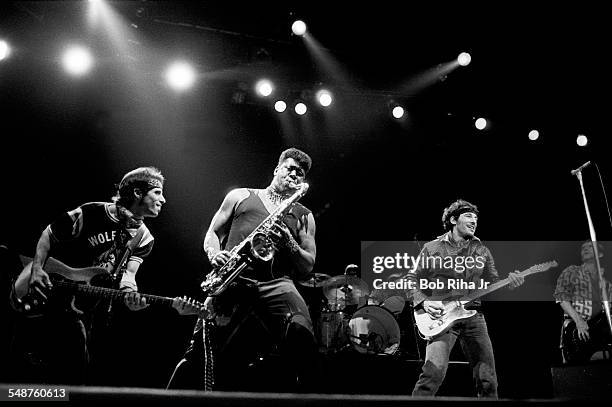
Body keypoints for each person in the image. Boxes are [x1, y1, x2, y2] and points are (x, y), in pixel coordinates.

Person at [168, 148, 318, 392]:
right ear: (276, 169)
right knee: (199, 352)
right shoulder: (240, 195)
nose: (294, 175)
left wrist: (289, 243)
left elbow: (308, 265)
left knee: (301, 332)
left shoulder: (305, 216)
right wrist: (214, 254)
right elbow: (213, 233)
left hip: (275, 283)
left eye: (300, 173)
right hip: (232, 278)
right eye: (289, 168)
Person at [8, 166, 166, 385]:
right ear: (138, 192)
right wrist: (37, 268)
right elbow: (49, 233)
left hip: (79, 310)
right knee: (18, 370)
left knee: (74, 376)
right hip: (48, 291)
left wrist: (130, 294)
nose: (163, 200)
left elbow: (128, 274)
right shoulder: (92, 212)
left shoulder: (144, 238)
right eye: (157, 193)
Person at [404, 199, 524, 398]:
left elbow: (493, 283)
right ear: (453, 220)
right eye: (469, 216)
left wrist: (510, 283)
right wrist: (424, 301)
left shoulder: (482, 250)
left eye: (476, 218)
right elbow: (410, 279)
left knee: (488, 379)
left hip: (473, 316)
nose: (474, 221)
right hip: (441, 316)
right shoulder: (432, 247)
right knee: (432, 375)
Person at [554, 241, 612, 363]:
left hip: (598, 334)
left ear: (600, 254)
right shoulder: (572, 271)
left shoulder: (606, 283)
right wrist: (579, 321)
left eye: (590, 246)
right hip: (575, 330)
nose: (585, 249)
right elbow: (561, 298)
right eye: (583, 248)